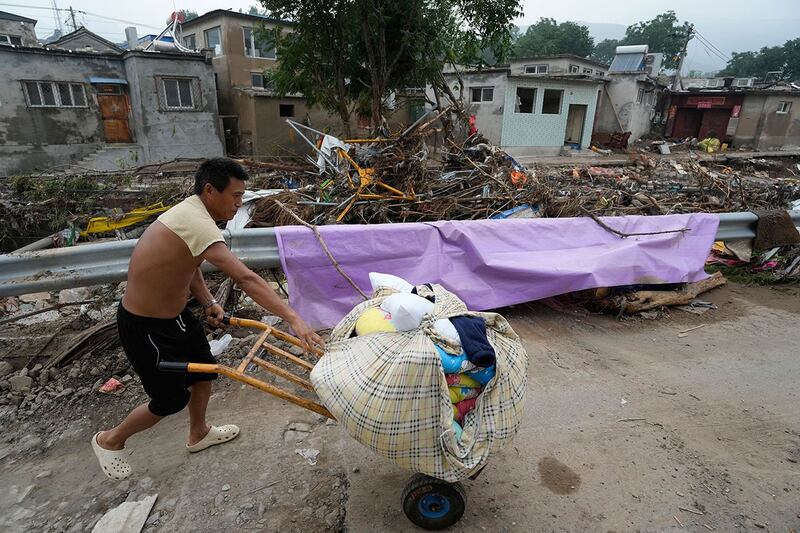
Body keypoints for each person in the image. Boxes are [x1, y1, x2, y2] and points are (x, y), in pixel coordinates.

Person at [91, 157, 323, 480]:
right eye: (236, 196)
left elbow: (190, 261)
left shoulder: (195, 215)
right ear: (211, 191)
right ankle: (110, 440)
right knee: (171, 399)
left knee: (205, 373)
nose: (240, 204)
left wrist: (209, 300)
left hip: (176, 317)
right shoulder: (197, 221)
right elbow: (246, 279)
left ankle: (198, 433)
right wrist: (293, 318)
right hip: (145, 326)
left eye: (243, 196)